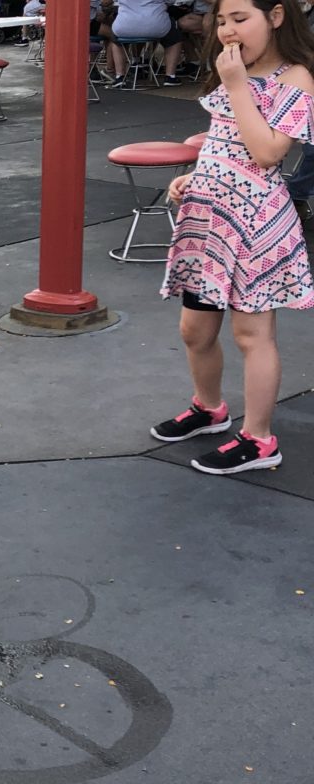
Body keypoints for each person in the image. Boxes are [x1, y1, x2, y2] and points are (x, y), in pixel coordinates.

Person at [154, 0, 314, 474]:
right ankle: (210, 408)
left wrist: (238, 86)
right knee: (195, 329)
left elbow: (266, 153)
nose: (227, 30)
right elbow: (223, 137)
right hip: (210, 217)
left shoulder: (296, 78)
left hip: (256, 223)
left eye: (240, 19)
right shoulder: (234, 72)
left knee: (251, 334)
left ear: (277, 16)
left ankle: (260, 439)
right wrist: (196, 177)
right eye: (222, 20)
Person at [107, 0, 185, 88]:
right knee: (175, 39)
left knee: (116, 41)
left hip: (125, 25)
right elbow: (171, 2)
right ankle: (170, 76)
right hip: (155, 24)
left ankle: (120, 76)